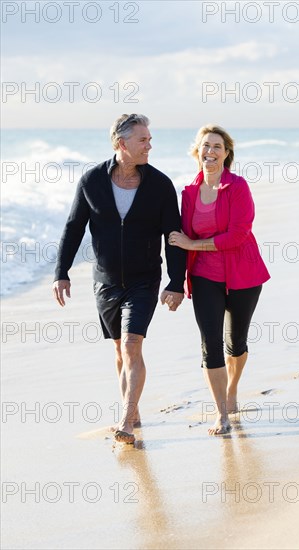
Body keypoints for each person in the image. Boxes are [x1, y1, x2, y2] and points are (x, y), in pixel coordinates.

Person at [53, 114, 186, 444]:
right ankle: (134, 408)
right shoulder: (92, 181)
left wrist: (175, 281)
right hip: (105, 282)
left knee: (131, 344)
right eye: (143, 140)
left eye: (149, 139)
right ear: (120, 144)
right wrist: (61, 272)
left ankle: (126, 419)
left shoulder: (159, 185)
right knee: (120, 350)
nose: (149, 145)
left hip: (144, 280)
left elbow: (173, 234)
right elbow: (73, 228)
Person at [169, 124, 270, 435]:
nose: (209, 151)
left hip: (243, 274)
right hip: (204, 276)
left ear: (226, 154)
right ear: (197, 152)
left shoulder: (238, 187)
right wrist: (174, 284)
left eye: (216, 147)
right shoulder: (187, 193)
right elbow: (180, 238)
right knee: (209, 343)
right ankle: (221, 413)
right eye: (205, 146)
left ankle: (232, 389)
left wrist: (193, 244)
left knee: (235, 343)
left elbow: (238, 235)